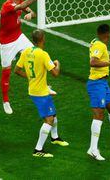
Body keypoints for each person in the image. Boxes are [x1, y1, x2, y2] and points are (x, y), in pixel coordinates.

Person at [15, 29, 68, 158]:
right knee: (49, 120)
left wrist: (30, 78)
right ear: (43, 39)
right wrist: (57, 64)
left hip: (35, 89)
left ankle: (54, 138)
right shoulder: (43, 54)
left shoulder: (26, 51)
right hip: (40, 93)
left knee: (53, 114)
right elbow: (55, 73)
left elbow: (17, 70)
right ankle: (38, 149)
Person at [0, 0, 44, 114]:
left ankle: (42, 85)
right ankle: (5, 101)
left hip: (19, 37)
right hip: (7, 43)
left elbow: (30, 11)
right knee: (6, 71)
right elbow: (21, 6)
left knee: (37, 55)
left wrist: (31, 14)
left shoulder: (18, 2)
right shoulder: (8, 6)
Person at [87, 24, 110, 161]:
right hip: (96, 84)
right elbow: (93, 62)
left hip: (103, 84)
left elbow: (103, 58)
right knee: (99, 115)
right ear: (107, 34)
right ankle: (93, 149)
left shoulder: (96, 42)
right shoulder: (100, 45)